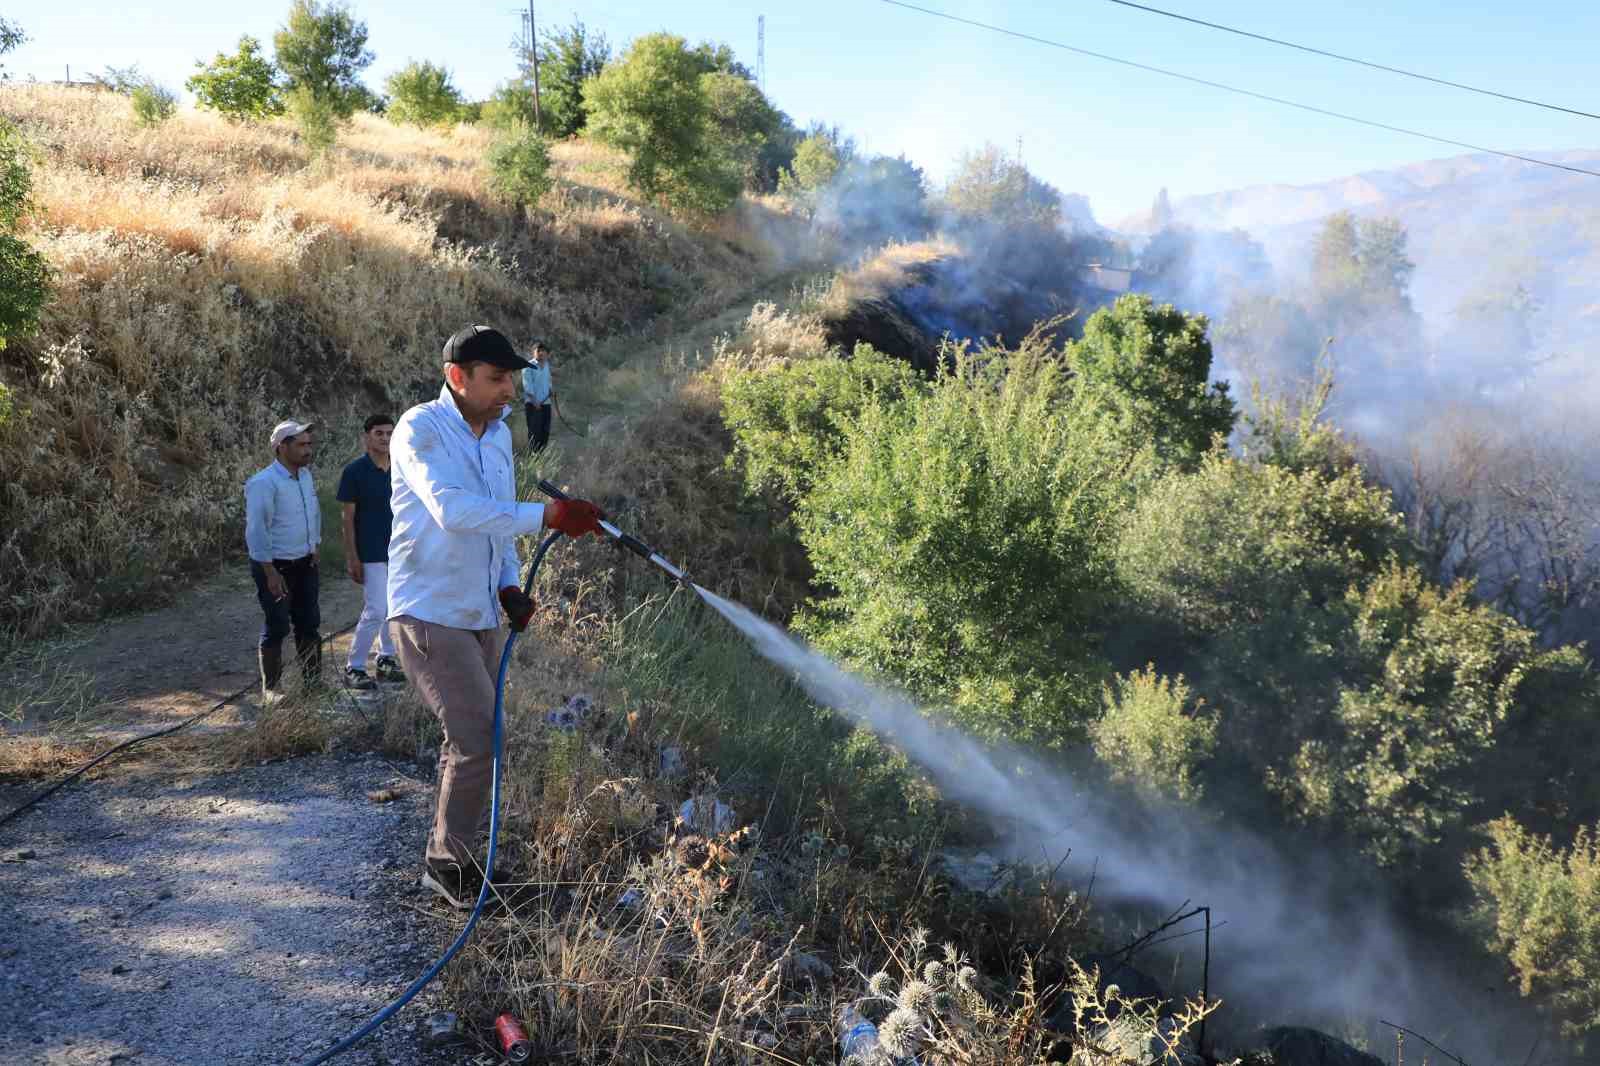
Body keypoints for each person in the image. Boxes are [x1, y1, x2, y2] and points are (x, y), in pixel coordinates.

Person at [388, 324, 604, 907]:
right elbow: (454, 510)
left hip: (480, 612)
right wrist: (549, 515)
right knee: (478, 734)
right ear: (457, 377)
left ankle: (452, 857)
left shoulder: (498, 435)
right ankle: (447, 866)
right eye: (498, 377)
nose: (511, 388)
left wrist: (509, 586)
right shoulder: (419, 429)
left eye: (513, 377)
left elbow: (494, 527)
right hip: (429, 610)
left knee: (471, 737)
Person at [244, 420, 322, 700]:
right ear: (281, 448)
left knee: (309, 623)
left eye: (309, 444)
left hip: (305, 563)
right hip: (275, 566)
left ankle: (314, 686)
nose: (307, 450)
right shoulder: (263, 483)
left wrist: (314, 546)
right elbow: (257, 530)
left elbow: (312, 513)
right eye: (301, 445)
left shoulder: (305, 477)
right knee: (277, 625)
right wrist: (269, 572)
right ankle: (272, 690)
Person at [337, 414, 404, 691]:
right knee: (376, 608)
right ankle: (354, 666)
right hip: (371, 552)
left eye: (390, 433)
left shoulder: (401, 468)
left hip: (399, 550)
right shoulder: (354, 472)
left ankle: (386, 659)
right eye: (379, 433)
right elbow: (347, 519)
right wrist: (353, 557)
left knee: (394, 609)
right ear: (367, 436)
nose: (386, 439)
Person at [520, 340, 553, 452]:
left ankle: (541, 457)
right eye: (538, 350)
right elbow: (527, 386)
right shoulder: (528, 366)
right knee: (535, 433)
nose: (541, 353)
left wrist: (550, 390)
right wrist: (535, 402)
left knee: (545, 431)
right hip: (533, 405)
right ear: (534, 352)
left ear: (547, 353)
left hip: (546, 403)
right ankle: (533, 458)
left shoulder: (547, 365)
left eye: (543, 351)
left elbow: (548, 381)